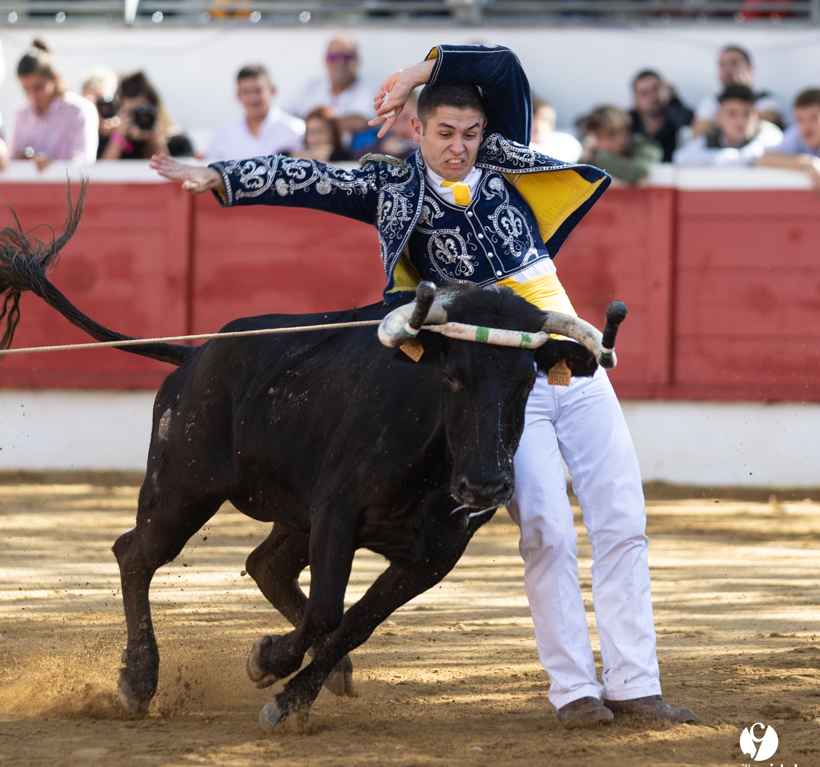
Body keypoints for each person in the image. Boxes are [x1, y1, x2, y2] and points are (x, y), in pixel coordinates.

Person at [154, 44, 694, 731]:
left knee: (621, 520)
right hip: (495, 385)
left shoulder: (501, 161)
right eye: (445, 134)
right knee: (547, 530)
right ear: (419, 132)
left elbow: (501, 66)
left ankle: (635, 684)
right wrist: (218, 175)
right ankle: (574, 690)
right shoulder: (394, 190)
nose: (460, 148)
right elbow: (306, 178)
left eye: (471, 134)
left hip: (562, 351)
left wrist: (420, 72)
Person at [10, 40, 97, 167]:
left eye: (38, 88)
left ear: (54, 78)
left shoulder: (80, 110)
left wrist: (54, 167)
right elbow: (11, 162)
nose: (32, 95)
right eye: (26, 90)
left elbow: (84, 161)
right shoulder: (20, 115)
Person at [207, 64, 304, 162]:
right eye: (246, 92)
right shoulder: (224, 133)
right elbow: (211, 169)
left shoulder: (296, 130)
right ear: (238, 95)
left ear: (272, 90)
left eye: (258, 90)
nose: (252, 97)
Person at [286, 36, 376, 136]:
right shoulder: (311, 87)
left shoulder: (369, 88)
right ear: (325, 61)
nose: (339, 63)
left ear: (357, 61)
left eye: (346, 57)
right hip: (308, 150)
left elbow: (361, 121)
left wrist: (313, 125)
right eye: (332, 57)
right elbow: (286, 115)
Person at [675, 84, 782, 167]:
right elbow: (682, 158)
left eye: (746, 114)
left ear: (756, 116)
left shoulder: (769, 133)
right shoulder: (711, 136)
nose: (740, 121)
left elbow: (749, 158)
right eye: (732, 114)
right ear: (719, 116)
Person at [100, 71, 192, 160]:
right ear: (120, 114)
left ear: (156, 111)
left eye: (143, 112)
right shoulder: (112, 144)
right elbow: (101, 173)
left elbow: (178, 173)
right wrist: (118, 138)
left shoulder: (178, 143)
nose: (138, 118)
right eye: (131, 113)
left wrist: (157, 141)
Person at [691, 45, 782, 136]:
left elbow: (770, 117)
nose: (728, 69)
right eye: (722, 65)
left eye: (734, 63)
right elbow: (698, 132)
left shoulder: (766, 99)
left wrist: (722, 121)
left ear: (750, 69)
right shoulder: (711, 102)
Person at [578, 104, 662, 185]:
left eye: (611, 136)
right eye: (599, 136)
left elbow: (638, 171)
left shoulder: (647, 147)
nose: (606, 143)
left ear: (626, 133)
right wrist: (585, 158)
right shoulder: (590, 152)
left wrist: (597, 157)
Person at [756, 88, 820, 194]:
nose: (807, 126)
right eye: (800, 119)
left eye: (814, 118)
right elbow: (762, 160)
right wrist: (808, 163)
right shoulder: (796, 134)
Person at [629, 70, 693, 163]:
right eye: (644, 93)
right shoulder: (628, 122)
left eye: (656, 89)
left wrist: (673, 99)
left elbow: (688, 123)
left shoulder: (675, 116)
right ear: (635, 100)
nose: (652, 97)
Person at [529, 96, 582, 163]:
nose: (529, 135)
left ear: (551, 127)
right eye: (526, 130)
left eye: (535, 130)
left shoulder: (567, 144)